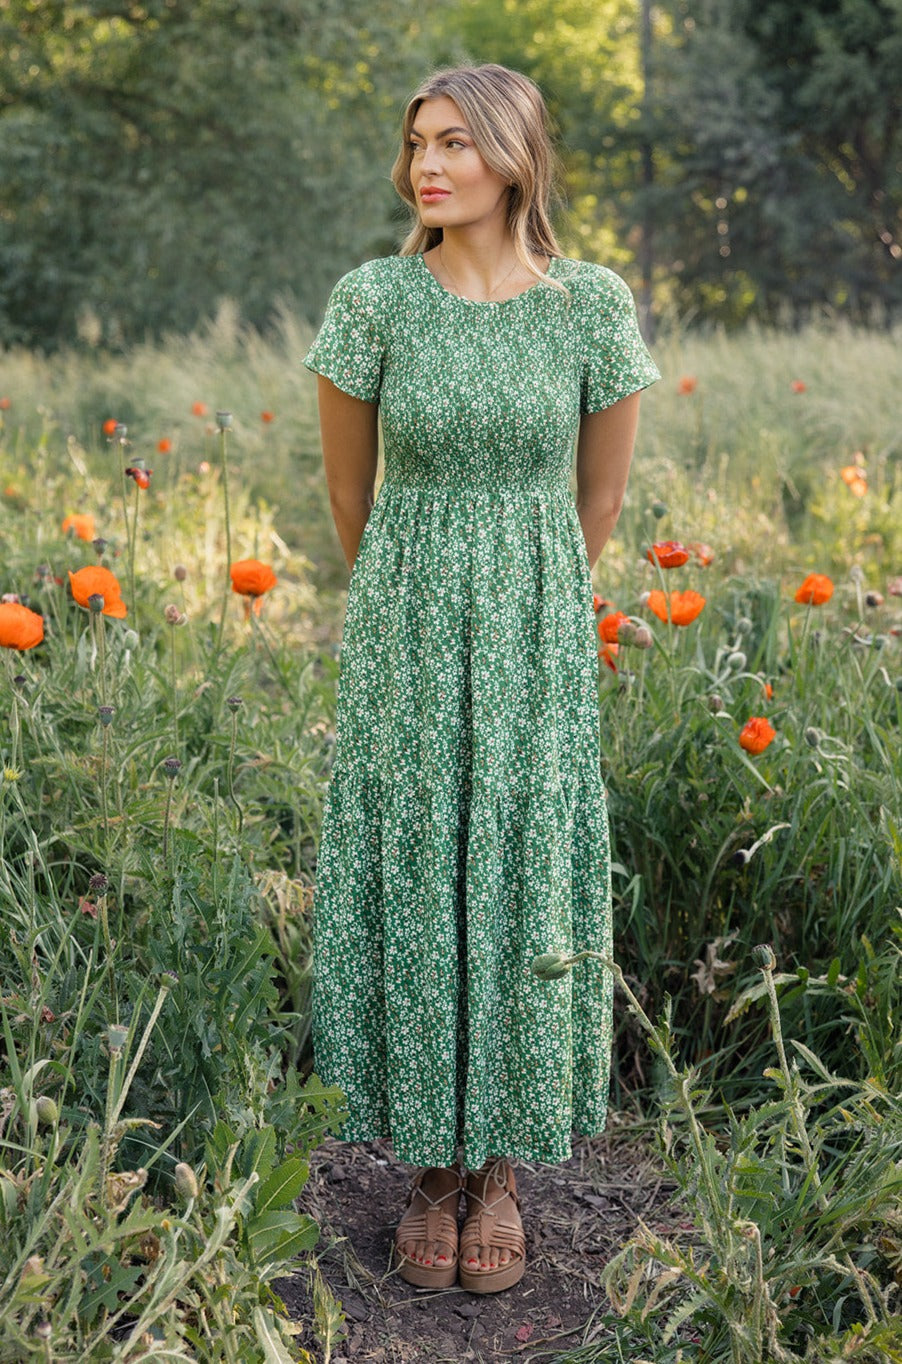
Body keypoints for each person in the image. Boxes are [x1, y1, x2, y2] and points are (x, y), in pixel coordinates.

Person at [303, 62, 660, 1295]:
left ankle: (498, 1162)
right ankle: (430, 1166)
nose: (427, 167)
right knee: (422, 852)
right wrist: (418, 602)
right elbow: (350, 495)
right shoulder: (372, 300)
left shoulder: (589, 305)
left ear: (512, 156)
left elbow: (598, 495)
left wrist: (523, 602)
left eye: (453, 143)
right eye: (415, 146)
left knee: (516, 858)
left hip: (535, 619)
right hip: (405, 610)